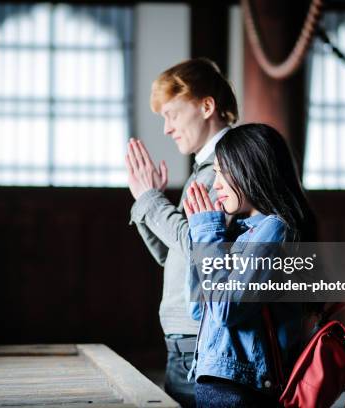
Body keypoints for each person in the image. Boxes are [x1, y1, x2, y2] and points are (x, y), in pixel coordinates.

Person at [125, 58, 238, 407]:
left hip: (199, 337)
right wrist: (148, 206)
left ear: (206, 106)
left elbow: (200, 248)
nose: (166, 128)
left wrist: (151, 200)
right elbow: (171, 256)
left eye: (172, 114)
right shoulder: (205, 168)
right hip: (185, 338)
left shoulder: (227, 164)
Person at [183, 123, 317, 407]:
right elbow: (197, 308)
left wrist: (208, 233)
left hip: (241, 390)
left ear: (252, 169)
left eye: (222, 172)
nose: (216, 184)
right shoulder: (237, 233)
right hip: (218, 384)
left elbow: (225, 310)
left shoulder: (275, 230)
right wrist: (200, 237)